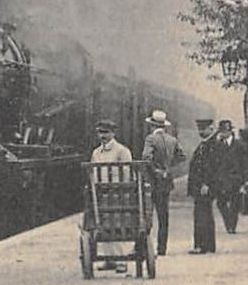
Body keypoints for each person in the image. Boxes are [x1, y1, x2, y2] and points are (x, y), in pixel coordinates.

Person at [88, 119, 133, 270]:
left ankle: (121, 260)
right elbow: (93, 173)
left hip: (117, 193)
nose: (103, 136)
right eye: (100, 132)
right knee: (104, 224)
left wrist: (120, 189)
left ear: (113, 133)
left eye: (106, 132)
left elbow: (127, 173)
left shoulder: (122, 151)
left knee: (118, 224)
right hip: (101, 194)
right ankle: (109, 259)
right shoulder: (96, 152)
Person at [140, 109, 181, 256]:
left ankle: (144, 247)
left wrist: (155, 170)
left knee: (147, 214)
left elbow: (146, 157)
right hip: (166, 182)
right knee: (164, 216)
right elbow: (181, 156)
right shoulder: (172, 140)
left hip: (152, 182)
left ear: (152, 125)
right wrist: (167, 168)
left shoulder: (150, 139)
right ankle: (161, 249)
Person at [186, 117, 219, 254]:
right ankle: (208, 245)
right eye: (199, 128)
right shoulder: (206, 144)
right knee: (205, 214)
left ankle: (201, 245)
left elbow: (211, 167)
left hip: (204, 187)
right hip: (201, 186)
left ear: (211, 129)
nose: (200, 131)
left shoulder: (211, 145)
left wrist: (206, 183)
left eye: (203, 129)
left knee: (201, 215)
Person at [211, 119, 248, 233]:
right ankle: (229, 222)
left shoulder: (239, 145)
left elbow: (245, 163)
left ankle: (232, 226)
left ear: (230, 132)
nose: (222, 133)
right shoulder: (217, 145)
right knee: (220, 203)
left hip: (235, 179)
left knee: (235, 203)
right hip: (221, 179)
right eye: (221, 131)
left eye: (224, 131)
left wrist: (247, 180)